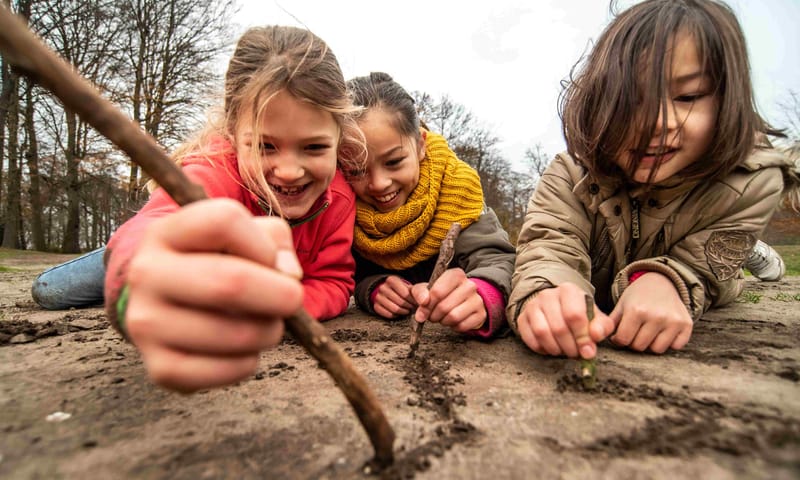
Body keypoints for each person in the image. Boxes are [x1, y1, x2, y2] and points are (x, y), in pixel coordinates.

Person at [507, 0, 800, 360]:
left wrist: (667, 282)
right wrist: (547, 292)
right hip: (603, 267)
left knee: (727, 272)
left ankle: (745, 250)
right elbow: (549, 246)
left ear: (728, 100)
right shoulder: (569, 174)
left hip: (705, 246)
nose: (656, 123)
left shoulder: (752, 182)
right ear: (598, 103)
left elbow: (703, 273)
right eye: (632, 101)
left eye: (688, 96)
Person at [98, 25, 367, 392]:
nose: (289, 171)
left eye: (315, 148)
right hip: (157, 250)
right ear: (232, 130)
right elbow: (155, 226)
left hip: (241, 284)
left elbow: (334, 282)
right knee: (60, 289)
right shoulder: (212, 172)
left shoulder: (341, 198)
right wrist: (137, 275)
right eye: (264, 146)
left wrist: (280, 306)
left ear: (340, 136)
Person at [346, 72, 516, 338]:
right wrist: (373, 288)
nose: (378, 184)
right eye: (357, 170)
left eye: (394, 162)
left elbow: (498, 259)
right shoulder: (342, 203)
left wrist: (485, 292)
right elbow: (351, 270)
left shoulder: (458, 190)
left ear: (420, 146)